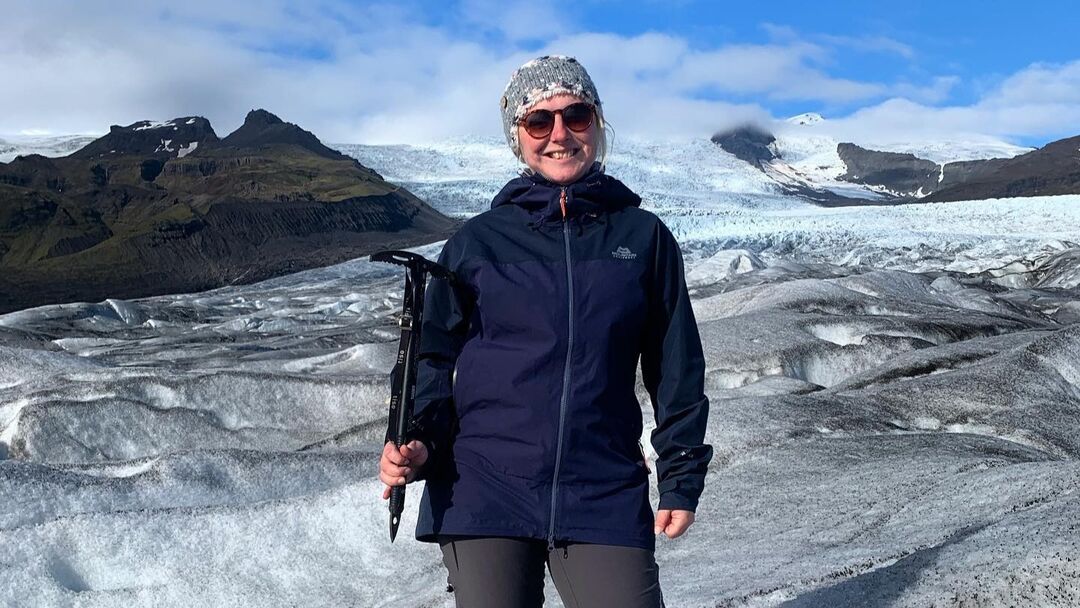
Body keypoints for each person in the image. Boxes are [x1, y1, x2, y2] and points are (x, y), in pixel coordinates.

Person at [379, 55, 712, 608]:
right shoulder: (478, 243)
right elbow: (430, 357)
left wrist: (681, 473)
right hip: (483, 483)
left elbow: (674, 365)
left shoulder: (643, 239)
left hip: (601, 485)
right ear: (518, 136)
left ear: (597, 123)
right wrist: (419, 440)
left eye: (576, 115)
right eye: (540, 121)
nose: (560, 134)